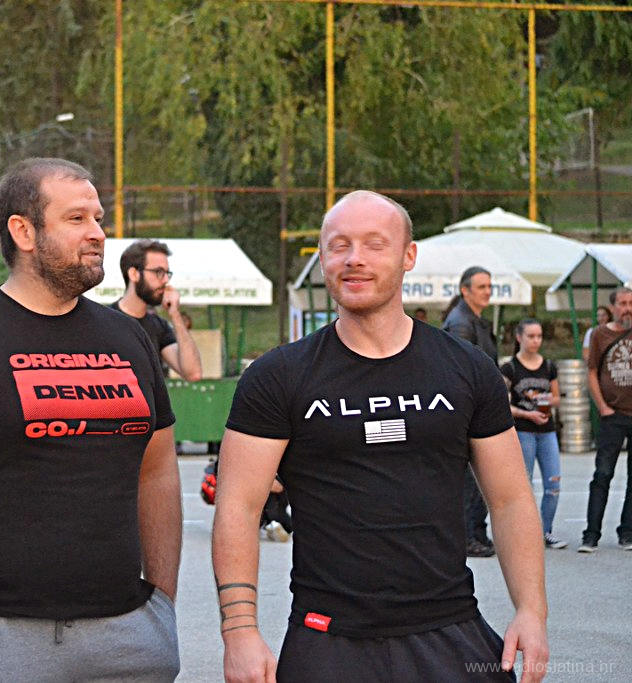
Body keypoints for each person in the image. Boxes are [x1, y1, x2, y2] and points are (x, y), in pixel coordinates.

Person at [212, 191, 547, 683]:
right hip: (327, 638)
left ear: (408, 256)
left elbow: (511, 499)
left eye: (374, 244)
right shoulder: (277, 376)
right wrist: (239, 631)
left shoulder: (468, 369)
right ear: (322, 258)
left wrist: (532, 610)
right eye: (339, 245)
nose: (354, 259)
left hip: (450, 630)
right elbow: (238, 506)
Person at [0, 158, 182, 682]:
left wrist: (162, 604)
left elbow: (157, 471)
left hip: (130, 638)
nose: (97, 234)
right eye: (77, 219)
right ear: (23, 231)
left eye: (98, 219)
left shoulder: (129, 339)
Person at [443, 265, 497, 558]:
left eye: (489, 286)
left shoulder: (476, 320)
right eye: (481, 287)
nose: (487, 292)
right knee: (469, 480)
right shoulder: (460, 323)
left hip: (479, 406)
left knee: (480, 479)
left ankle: (477, 532)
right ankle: (467, 537)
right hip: (467, 409)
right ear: (465, 291)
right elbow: (460, 372)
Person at [501, 319, 565, 550]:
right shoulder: (510, 368)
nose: (535, 341)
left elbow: (557, 397)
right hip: (523, 431)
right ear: (519, 337)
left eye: (539, 336)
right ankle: (523, 534)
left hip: (547, 431)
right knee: (523, 486)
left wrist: (546, 401)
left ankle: (545, 531)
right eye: (531, 336)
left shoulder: (548, 366)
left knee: (553, 483)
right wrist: (525, 414)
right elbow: (500, 402)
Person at [580, 287, 632, 553]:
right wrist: (602, 406)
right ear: (613, 308)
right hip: (613, 414)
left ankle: (627, 532)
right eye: (622, 303)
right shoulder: (601, 334)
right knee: (603, 473)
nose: (627, 308)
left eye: (631, 303)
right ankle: (591, 535)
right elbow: (591, 371)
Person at [113, 239, 202, 381]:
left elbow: (193, 373)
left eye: (167, 273)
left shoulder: (158, 326)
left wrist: (175, 314)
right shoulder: (104, 322)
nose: (165, 280)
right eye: (159, 272)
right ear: (134, 274)